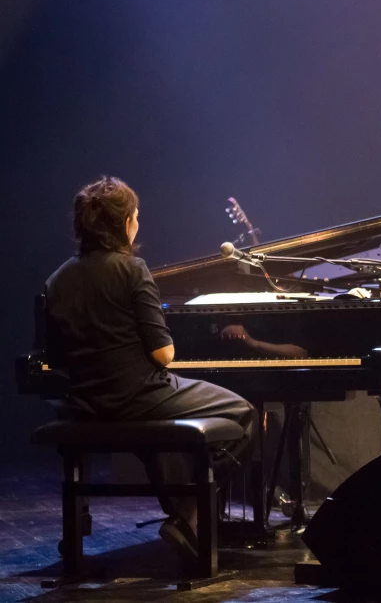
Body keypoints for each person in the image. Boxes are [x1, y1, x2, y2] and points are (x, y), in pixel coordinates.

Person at [44, 177, 256, 563]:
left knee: (167, 433)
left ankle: (183, 514)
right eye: (136, 216)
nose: (138, 223)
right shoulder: (132, 269)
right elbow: (163, 355)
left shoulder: (57, 280)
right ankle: (190, 513)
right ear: (125, 223)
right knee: (244, 413)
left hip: (86, 404)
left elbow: (55, 358)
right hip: (140, 396)